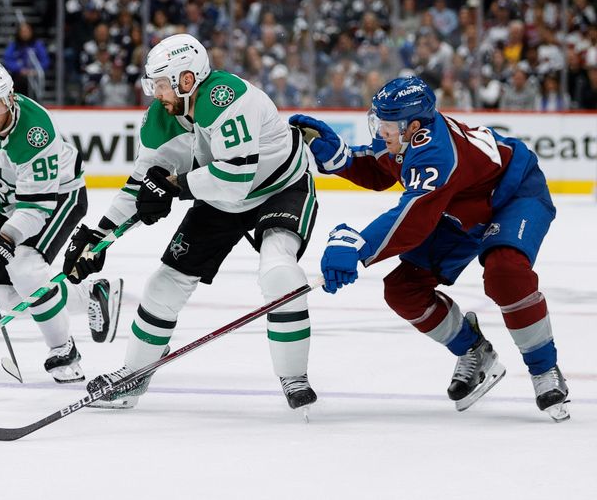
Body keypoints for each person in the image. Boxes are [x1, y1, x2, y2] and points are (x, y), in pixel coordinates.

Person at [289, 75, 569, 422]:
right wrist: (342, 160)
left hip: (513, 194)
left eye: (387, 124)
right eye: (377, 120)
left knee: (506, 272)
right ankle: (474, 352)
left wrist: (357, 247)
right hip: (459, 208)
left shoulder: (435, 151)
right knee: (403, 290)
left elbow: (413, 220)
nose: (380, 131)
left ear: (414, 126)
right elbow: (382, 170)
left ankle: (544, 370)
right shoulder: (406, 137)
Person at [63, 34, 318, 411]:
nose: (156, 93)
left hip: (280, 188)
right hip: (219, 197)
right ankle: (133, 376)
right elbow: (141, 185)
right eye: (153, 84)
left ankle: (294, 375)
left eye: (162, 84)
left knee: (278, 271)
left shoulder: (225, 98)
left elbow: (235, 178)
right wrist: (98, 235)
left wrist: (174, 187)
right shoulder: (161, 117)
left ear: (187, 79)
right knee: (164, 284)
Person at [0, 62, 123, 383]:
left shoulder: (36, 132)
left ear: (9, 99)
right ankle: (91, 294)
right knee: (4, 289)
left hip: (58, 197)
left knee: (25, 268)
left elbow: (36, 208)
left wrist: (3, 241)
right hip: (13, 205)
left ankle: (64, 351)